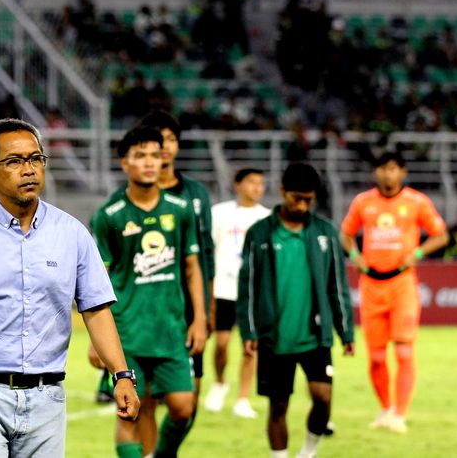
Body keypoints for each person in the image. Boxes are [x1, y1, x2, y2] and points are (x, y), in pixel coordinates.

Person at [0, 118, 140, 457]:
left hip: (48, 395)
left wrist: (122, 374)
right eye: (15, 161)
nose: (29, 169)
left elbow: (95, 309)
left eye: (36, 159)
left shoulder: (72, 234)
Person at [90, 126, 207, 458]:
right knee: (130, 411)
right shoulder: (109, 216)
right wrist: (101, 338)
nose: (150, 162)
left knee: (183, 407)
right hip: (128, 332)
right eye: (140, 156)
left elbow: (191, 266)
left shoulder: (180, 209)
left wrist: (199, 318)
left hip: (171, 329)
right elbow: (99, 281)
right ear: (124, 163)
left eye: (155, 155)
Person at [236, 163, 355, 458]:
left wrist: (345, 331)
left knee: (323, 398)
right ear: (282, 192)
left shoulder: (325, 232)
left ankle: (308, 451)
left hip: (315, 335)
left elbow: (337, 285)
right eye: (296, 198)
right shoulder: (260, 233)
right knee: (278, 406)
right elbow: (247, 286)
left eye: (308, 200)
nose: (302, 205)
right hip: (275, 337)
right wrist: (249, 330)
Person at [340, 151, 449, 434]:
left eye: (392, 169)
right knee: (376, 357)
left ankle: (400, 414)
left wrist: (420, 252)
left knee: (403, 352)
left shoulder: (416, 202)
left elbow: (441, 234)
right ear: (376, 172)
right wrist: (354, 254)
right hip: (371, 285)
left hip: (402, 284)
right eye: (382, 169)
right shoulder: (363, 202)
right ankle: (386, 409)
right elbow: (346, 233)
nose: (387, 174)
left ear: (403, 172)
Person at [135, 111, 215, 456]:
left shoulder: (196, 195)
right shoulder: (130, 198)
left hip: (184, 311)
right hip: (144, 312)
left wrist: (205, 312)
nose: (163, 147)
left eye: (169, 139)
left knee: (187, 403)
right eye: (156, 141)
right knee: (147, 400)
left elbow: (204, 256)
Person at [205, 168, 270, 418]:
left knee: (250, 346)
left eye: (261, 183)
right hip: (223, 288)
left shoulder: (267, 217)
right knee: (221, 344)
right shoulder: (219, 213)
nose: (257, 188)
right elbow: (209, 250)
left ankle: (242, 398)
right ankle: (220, 382)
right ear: (238, 185)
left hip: (252, 292)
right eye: (252, 182)